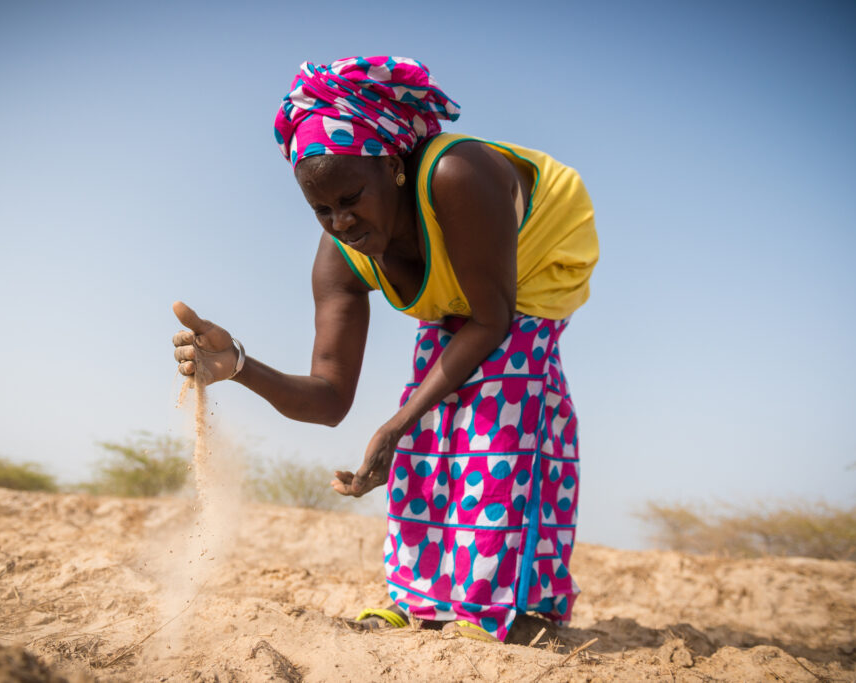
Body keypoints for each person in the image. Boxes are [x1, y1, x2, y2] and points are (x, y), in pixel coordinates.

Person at [172, 56, 598, 642]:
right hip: (465, 292)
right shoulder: (341, 257)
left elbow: (492, 319)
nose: (341, 222)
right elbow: (328, 399)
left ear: (392, 166)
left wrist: (397, 423)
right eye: (322, 210)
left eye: (351, 198)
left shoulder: (457, 174)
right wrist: (239, 366)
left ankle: (494, 606)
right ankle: (419, 599)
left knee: (501, 402)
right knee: (429, 420)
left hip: (534, 261)